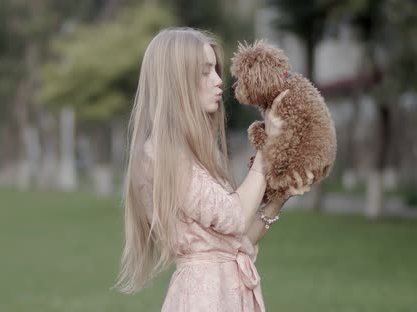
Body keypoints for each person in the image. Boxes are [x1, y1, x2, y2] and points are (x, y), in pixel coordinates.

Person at [112, 27, 313, 311]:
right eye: (206, 72)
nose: (219, 81)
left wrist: (277, 202)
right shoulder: (161, 154)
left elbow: (236, 244)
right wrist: (266, 149)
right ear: (176, 80)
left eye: (216, 70)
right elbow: (236, 217)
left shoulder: (195, 152)